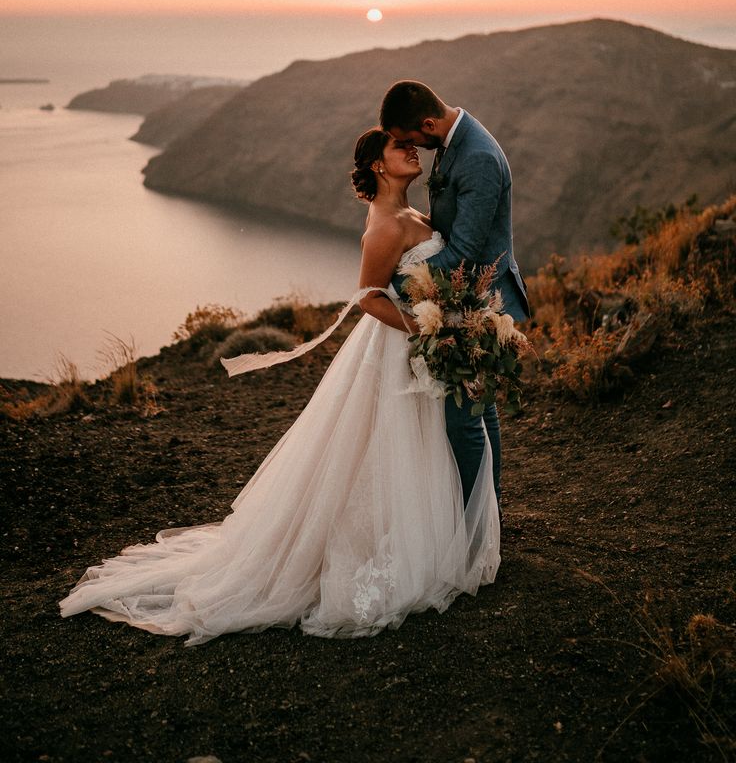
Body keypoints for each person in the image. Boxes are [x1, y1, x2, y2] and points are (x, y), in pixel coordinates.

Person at [58, 129, 500, 646]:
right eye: (399, 148)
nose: (412, 151)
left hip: (423, 345)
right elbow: (368, 298)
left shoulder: (412, 215)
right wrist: (425, 327)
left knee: (424, 445)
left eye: (412, 145)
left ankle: (440, 538)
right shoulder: (383, 227)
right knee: (394, 445)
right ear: (379, 166)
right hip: (402, 345)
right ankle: (406, 547)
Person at [380, 81, 530, 518]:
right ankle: (487, 517)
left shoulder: (478, 158)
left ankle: (475, 525)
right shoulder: (453, 141)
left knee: (465, 420)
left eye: (411, 141)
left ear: (428, 124)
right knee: (478, 412)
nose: (413, 151)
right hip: (459, 300)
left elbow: (463, 254)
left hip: (477, 303)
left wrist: (403, 284)